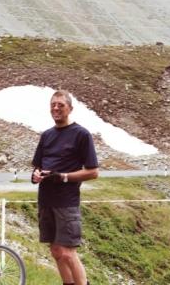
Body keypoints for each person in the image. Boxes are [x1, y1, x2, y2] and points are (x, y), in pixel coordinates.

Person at [31, 89, 98, 285]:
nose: (56, 108)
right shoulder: (46, 136)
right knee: (56, 251)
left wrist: (64, 177)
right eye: (53, 104)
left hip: (66, 203)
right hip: (46, 201)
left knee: (68, 253)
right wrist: (35, 176)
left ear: (70, 108)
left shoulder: (81, 135)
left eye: (60, 105)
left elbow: (93, 172)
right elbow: (37, 166)